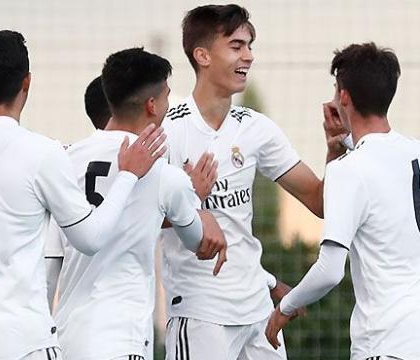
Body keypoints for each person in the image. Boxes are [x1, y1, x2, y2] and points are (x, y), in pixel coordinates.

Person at [0, 30, 165, 360]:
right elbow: (90, 238)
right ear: (27, 83)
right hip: (18, 341)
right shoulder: (42, 152)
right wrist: (127, 175)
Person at [160, 4, 346, 359]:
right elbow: (139, 219)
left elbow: (320, 202)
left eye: (250, 46)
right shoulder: (169, 130)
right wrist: (191, 204)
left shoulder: (256, 127)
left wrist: (334, 151)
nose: (249, 56)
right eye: (236, 46)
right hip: (202, 314)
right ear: (202, 55)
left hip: (258, 312)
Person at [54, 47, 225, 360]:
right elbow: (198, 242)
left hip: (67, 338)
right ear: (152, 105)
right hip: (122, 340)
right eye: (167, 97)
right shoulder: (165, 176)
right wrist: (194, 198)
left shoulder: (65, 160)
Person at [265, 42, 420, 360]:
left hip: (386, 344)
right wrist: (342, 145)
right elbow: (381, 173)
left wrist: (285, 308)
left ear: (344, 97)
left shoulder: (349, 171)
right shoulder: (413, 151)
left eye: (337, 90)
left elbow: (330, 270)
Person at [43, 74, 112, 309]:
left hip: (72, 316)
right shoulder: (145, 160)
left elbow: (51, 261)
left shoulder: (66, 159)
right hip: (124, 318)